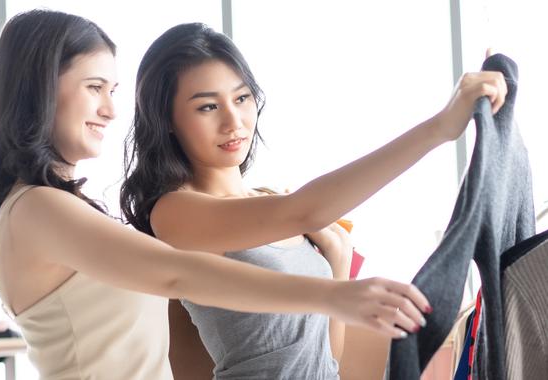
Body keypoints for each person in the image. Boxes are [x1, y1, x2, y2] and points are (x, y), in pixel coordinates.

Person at [0, 9, 432, 380]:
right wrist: (333, 296)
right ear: (39, 92)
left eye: (112, 90)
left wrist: (333, 278)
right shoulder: (38, 208)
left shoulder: (52, 208)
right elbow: (179, 274)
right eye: (94, 88)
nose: (111, 110)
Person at [120, 23, 506, 379]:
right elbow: (305, 209)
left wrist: (338, 259)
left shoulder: (269, 203)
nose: (233, 121)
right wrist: (440, 127)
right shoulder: (174, 213)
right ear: (166, 118)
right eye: (207, 106)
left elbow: (327, 357)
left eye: (241, 98)